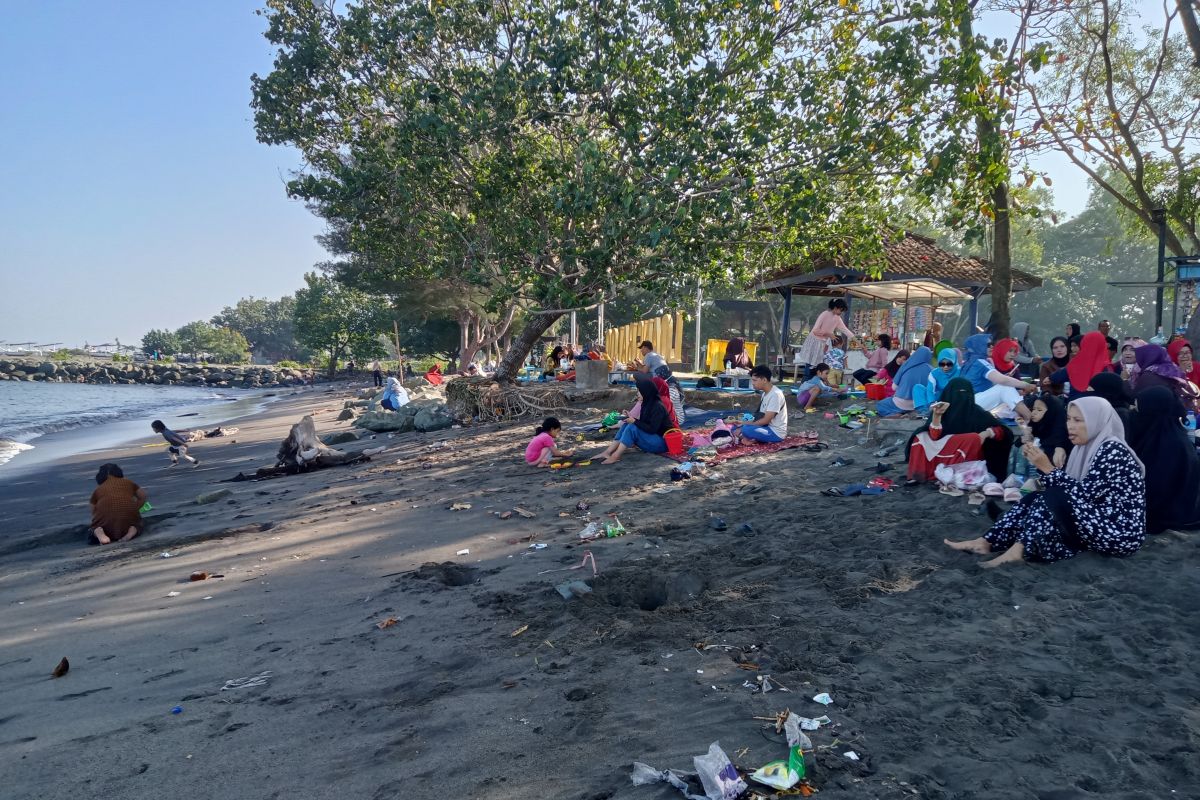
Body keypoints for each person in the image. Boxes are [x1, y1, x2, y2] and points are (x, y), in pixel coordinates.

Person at [945, 397, 1145, 567]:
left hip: (1118, 532)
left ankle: (1018, 551)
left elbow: (1084, 495)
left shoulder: (1112, 450)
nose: (1070, 425)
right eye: (1068, 419)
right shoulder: (1083, 447)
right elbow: (1068, 494)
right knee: (1036, 497)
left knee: (1050, 497)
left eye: (1078, 420)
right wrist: (1045, 470)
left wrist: (1047, 468)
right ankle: (986, 542)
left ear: (1097, 422)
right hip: (1094, 518)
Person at [904, 377, 1013, 483]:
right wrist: (937, 416)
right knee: (921, 435)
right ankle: (918, 475)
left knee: (973, 438)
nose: (961, 397)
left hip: (967, 458)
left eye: (965, 393)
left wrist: (986, 433)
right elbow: (934, 436)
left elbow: (1004, 432)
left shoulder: (977, 413)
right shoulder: (941, 410)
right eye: (957, 392)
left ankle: (961, 476)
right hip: (942, 452)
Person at [1127, 386, 1200, 533]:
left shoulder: (1168, 445)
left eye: (1137, 408)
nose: (1133, 412)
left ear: (1151, 411)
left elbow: (1156, 491)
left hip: (1168, 518)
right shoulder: (1162, 436)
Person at [599, 374, 672, 463]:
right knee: (627, 424)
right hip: (653, 439)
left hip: (663, 444)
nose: (637, 393)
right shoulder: (646, 404)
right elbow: (644, 423)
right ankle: (607, 452)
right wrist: (631, 418)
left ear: (646, 392)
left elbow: (652, 429)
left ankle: (616, 456)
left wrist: (634, 421)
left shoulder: (658, 407)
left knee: (632, 427)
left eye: (639, 391)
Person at [961, 333, 1030, 415]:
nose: (992, 347)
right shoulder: (980, 362)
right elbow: (1003, 381)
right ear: (979, 346)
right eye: (988, 345)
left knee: (1007, 395)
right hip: (972, 404)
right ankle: (1029, 418)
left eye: (992, 344)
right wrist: (1026, 385)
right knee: (1005, 388)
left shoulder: (969, 362)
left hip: (967, 404)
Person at [90, 463, 147, 544]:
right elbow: (143, 496)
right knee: (137, 524)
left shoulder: (98, 489)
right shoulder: (128, 482)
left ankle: (100, 533)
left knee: (95, 528)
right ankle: (131, 531)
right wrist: (135, 508)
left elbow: (92, 507)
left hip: (105, 522)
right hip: (128, 518)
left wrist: (98, 518)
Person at [797, 299, 854, 377]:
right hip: (814, 341)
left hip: (822, 343)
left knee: (818, 365)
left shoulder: (837, 318)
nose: (841, 312)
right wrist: (829, 334)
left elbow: (845, 330)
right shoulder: (825, 314)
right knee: (810, 364)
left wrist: (856, 340)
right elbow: (815, 330)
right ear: (835, 307)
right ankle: (806, 384)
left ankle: (815, 384)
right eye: (840, 310)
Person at [1132, 343, 1199, 410]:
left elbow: (1134, 397)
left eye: (1188, 352)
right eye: (1180, 353)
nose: (1185, 356)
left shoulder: (1149, 375)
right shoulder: (1171, 370)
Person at [1049, 330, 1111, 400]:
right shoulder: (1107, 367)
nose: (1072, 349)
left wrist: (1050, 378)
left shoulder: (1078, 363)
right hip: (1093, 404)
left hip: (1076, 404)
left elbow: (1061, 375)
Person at [736, 365, 789, 443]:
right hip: (765, 428)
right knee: (738, 424)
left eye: (755, 380)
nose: (753, 383)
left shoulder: (775, 395)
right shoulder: (765, 393)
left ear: (764, 380)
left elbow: (766, 420)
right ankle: (748, 438)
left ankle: (748, 438)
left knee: (746, 429)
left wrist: (746, 425)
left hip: (775, 432)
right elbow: (760, 415)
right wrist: (744, 423)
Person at [876, 346, 932, 416]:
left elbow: (894, 387)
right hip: (920, 404)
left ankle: (894, 415)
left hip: (902, 402)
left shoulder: (906, 365)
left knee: (880, 405)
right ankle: (910, 413)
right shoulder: (932, 370)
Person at [1022, 394, 1071, 468]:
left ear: (1051, 412)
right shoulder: (1036, 427)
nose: (1034, 413)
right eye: (1033, 409)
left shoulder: (1059, 438)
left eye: (1039, 410)